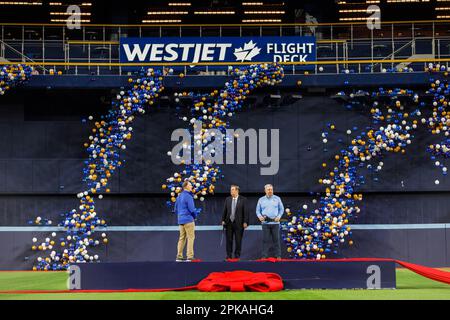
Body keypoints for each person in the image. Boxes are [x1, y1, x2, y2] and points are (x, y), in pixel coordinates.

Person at [256, 184, 284, 259]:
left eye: (271, 189)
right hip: (265, 223)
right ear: (265, 190)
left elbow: (281, 209)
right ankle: (264, 256)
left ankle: (278, 256)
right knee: (265, 241)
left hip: (275, 223)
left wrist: (279, 216)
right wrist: (260, 216)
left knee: (276, 240)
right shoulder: (261, 199)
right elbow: (257, 211)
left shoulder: (277, 198)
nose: (270, 191)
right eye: (268, 189)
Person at [221, 185, 249, 260]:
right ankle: (229, 256)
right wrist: (223, 220)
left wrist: (245, 222)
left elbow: (246, 212)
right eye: (231, 190)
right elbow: (225, 210)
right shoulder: (228, 199)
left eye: (233, 190)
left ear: (237, 190)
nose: (231, 191)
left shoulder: (243, 199)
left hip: (239, 223)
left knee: (238, 240)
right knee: (229, 240)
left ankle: (237, 256)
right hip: (229, 223)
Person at [174, 180, 199, 262]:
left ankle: (179, 256)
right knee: (191, 238)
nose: (192, 186)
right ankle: (189, 256)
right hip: (188, 220)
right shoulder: (188, 196)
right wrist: (195, 216)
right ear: (186, 187)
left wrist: (181, 216)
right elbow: (192, 209)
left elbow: (175, 209)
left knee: (181, 238)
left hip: (180, 220)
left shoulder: (179, 196)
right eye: (190, 185)